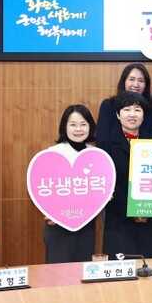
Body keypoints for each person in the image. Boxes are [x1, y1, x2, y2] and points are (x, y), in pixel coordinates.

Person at [99, 91, 152, 259]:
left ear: (144, 116)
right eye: (127, 109)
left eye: (137, 110)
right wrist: (132, 210)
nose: (132, 114)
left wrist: (146, 211)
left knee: (150, 267)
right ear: (118, 115)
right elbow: (109, 184)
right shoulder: (106, 145)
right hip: (119, 220)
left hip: (150, 219)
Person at [42, 104, 98, 263]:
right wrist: (50, 211)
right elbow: (41, 187)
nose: (78, 129)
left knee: (82, 270)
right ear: (64, 127)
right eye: (73, 124)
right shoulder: (53, 153)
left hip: (86, 225)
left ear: (90, 127)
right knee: (58, 272)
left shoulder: (96, 155)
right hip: (58, 225)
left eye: (83, 124)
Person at [97, 62, 152, 145]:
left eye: (141, 81)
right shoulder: (109, 105)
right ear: (124, 82)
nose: (136, 85)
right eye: (131, 79)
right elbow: (102, 140)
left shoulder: (151, 111)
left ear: (145, 86)